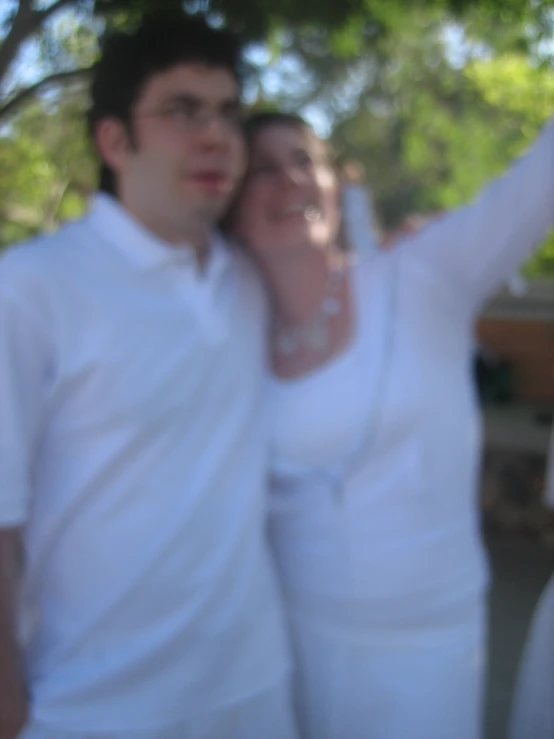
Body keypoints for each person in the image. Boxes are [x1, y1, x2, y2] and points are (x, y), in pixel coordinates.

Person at [0, 18, 296, 739]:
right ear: (113, 140)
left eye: (229, 112)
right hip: (91, 707)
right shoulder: (30, 287)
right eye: (182, 110)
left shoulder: (250, 280)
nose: (217, 136)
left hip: (254, 691)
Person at [231, 110, 554, 739]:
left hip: (424, 654)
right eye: (264, 169)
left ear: (335, 182)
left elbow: (539, 182)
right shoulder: (229, 322)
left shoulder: (421, 275)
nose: (291, 180)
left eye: (306, 161)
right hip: (284, 650)